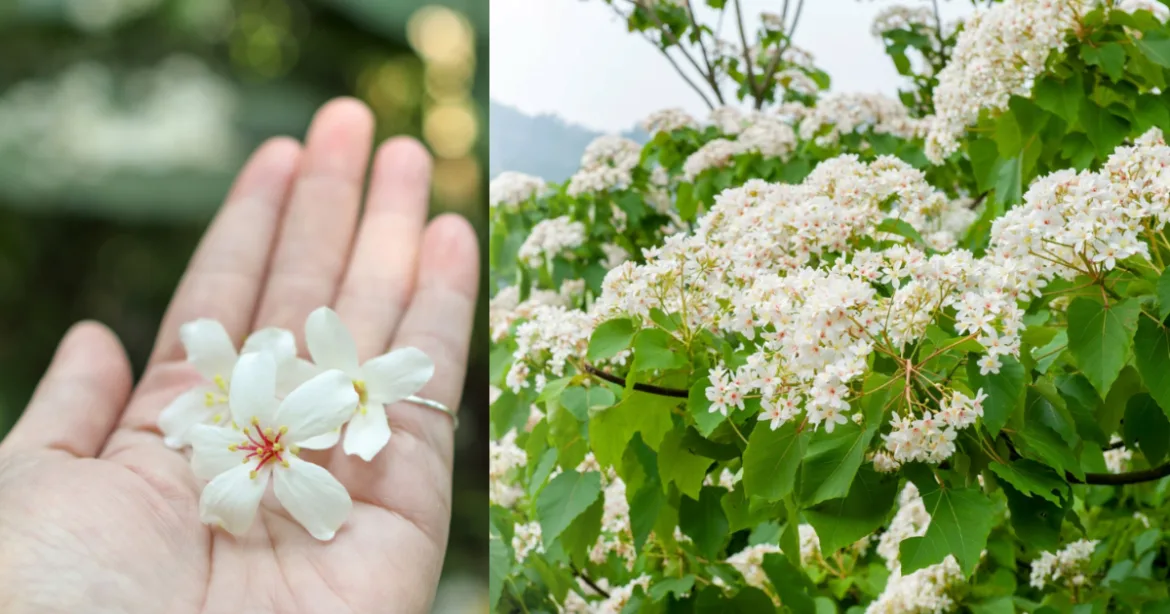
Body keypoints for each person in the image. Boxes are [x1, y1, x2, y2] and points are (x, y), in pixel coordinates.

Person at [0, 98, 479, 613]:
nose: (266, 447)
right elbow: (246, 440)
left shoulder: (267, 420)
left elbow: (274, 418)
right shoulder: (251, 431)